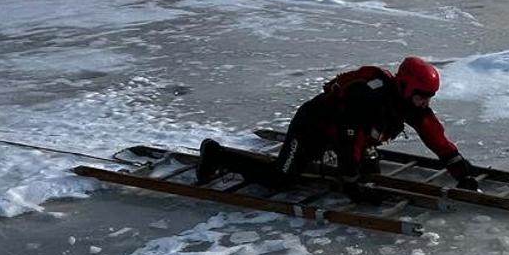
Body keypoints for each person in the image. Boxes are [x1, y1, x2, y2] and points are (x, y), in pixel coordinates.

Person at [197, 57, 480, 200]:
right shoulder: (368, 99)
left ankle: (352, 169)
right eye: (423, 95)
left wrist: (460, 171)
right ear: (407, 86)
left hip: (347, 135)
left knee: (371, 172)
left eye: (429, 96)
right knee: (281, 179)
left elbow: (435, 136)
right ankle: (215, 154)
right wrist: (352, 185)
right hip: (312, 127)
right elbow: (351, 143)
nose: (426, 101)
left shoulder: (409, 102)